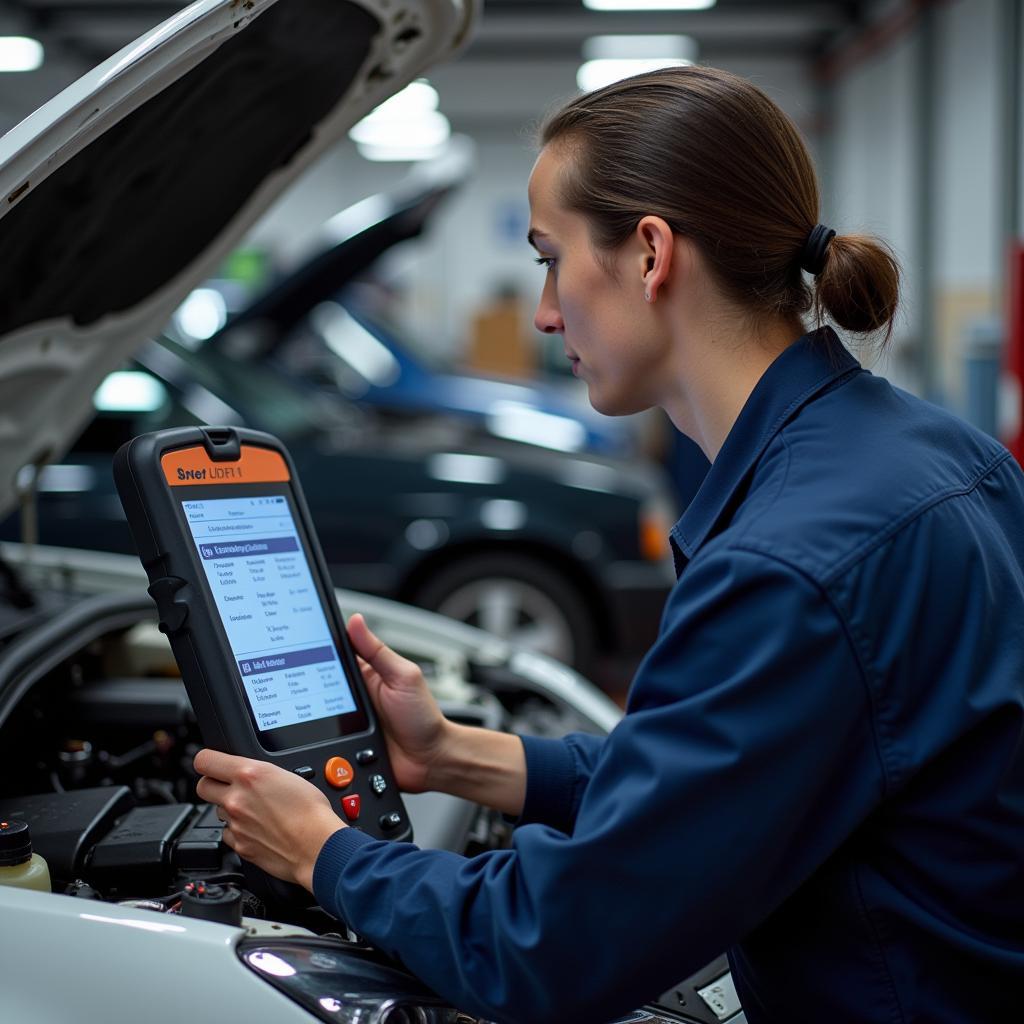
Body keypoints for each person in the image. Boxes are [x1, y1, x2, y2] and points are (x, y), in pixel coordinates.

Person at [194, 66, 1024, 1022]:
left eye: (552, 259)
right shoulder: (932, 452)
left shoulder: (790, 563)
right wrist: (459, 755)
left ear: (650, 255)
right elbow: (715, 782)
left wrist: (322, 853)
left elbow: (555, 948)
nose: (546, 312)